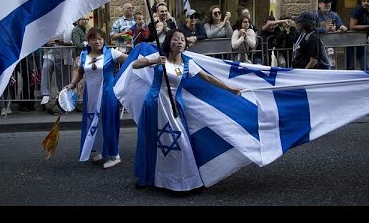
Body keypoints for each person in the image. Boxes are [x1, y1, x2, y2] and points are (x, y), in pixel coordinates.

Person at [131, 29, 242, 191]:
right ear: (169, 42)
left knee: (179, 140)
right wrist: (153, 61)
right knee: (151, 141)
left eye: (182, 39)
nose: (179, 42)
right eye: (176, 39)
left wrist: (229, 88)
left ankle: (184, 181)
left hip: (174, 106)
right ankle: (148, 178)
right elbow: (135, 64)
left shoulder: (188, 63)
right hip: (155, 104)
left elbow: (208, 77)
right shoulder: (160, 57)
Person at [65, 28, 128, 168]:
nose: (98, 41)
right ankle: (100, 150)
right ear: (89, 41)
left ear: (104, 40)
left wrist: (120, 81)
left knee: (109, 122)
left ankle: (115, 155)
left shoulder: (112, 53)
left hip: (107, 95)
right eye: (94, 39)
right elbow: (81, 71)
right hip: (91, 96)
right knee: (95, 122)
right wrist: (72, 84)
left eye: (100, 38)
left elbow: (130, 61)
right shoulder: (83, 55)